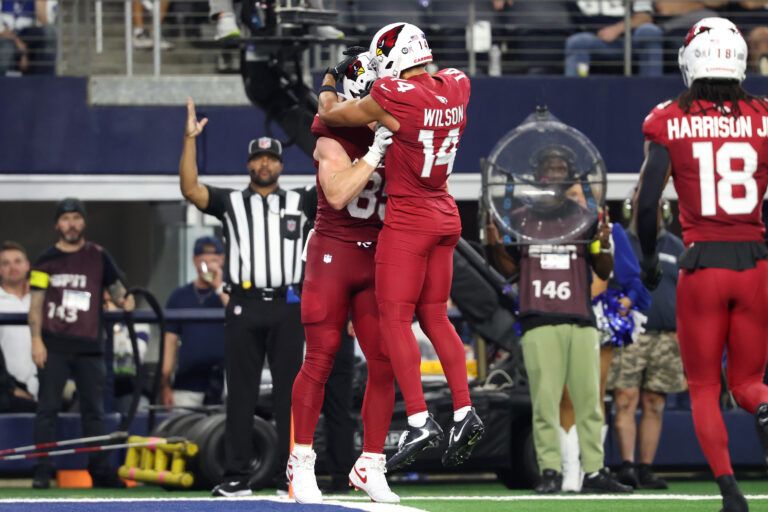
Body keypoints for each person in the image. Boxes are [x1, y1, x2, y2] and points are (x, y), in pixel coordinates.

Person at [317, 23, 484, 472]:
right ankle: (466, 411)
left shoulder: (395, 96)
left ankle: (418, 417)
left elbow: (334, 116)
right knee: (435, 317)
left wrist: (330, 82)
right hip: (447, 213)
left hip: (410, 219)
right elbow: (413, 103)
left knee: (394, 318)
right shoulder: (458, 85)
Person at [635, 17, 768, 512]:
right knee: (750, 384)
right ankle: (766, 408)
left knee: (706, 388)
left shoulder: (668, 117)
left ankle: (732, 493)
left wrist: (649, 258)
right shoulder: (764, 114)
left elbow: (647, 205)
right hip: (755, 263)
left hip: (702, 264)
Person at [179, 100, 316, 497]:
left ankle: (291, 476)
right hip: (243, 304)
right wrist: (190, 141)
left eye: (270, 158)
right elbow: (190, 188)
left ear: (281, 165)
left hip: (289, 304)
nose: (264, 164)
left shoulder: (301, 201)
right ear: (248, 165)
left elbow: (337, 187)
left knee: (292, 393)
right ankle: (236, 476)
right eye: (257, 158)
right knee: (240, 392)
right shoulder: (231, 203)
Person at [484, 145, 632, 495]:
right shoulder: (518, 216)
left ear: (569, 176)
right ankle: (549, 471)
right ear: (537, 175)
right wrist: (493, 246)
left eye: (560, 167)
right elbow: (510, 272)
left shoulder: (585, 215)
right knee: (545, 403)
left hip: (580, 317)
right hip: (538, 318)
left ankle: (594, 471)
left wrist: (605, 245)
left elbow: (603, 269)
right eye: (548, 167)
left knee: (590, 402)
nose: (554, 172)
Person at [288, 51, 398, 504]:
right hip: (334, 252)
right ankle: (300, 459)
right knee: (321, 357)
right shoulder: (332, 132)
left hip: (378, 255)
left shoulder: (394, 120)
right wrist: (375, 152)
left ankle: (370, 461)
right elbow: (335, 195)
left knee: (386, 359)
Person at [28, 198, 134, 489]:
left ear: (83, 222)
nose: (71, 224)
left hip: (90, 345)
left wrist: (127, 298)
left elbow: (119, 290)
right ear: (57, 224)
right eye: (65, 219)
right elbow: (35, 303)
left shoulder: (99, 256)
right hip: (53, 344)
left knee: (94, 412)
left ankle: (99, 471)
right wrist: (36, 340)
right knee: (47, 409)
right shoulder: (44, 260)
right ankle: (42, 470)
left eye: (76, 218)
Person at [607, 198, 686, 490]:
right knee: (625, 399)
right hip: (629, 334)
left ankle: (646, 467)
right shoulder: (620, 242)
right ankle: (626, 466)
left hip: (666, 336)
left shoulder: (676, 246)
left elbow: (686, 291)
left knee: (655, 402)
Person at [160, 235, 227, 408]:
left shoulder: (230, 291)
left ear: (222, 260)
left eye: (214, 260)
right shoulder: (179, 296)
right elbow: (170, 342)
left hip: (226, 382)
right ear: (194, 261)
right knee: (183, 430)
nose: (209, 265)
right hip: (187, 384)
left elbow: (237, 314)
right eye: (203, 260)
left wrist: (219, 285)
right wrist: (165, 383)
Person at [565, 0, 662, 77]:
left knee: (650, 31)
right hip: (596, 42)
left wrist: (617, 29)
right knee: (578, 41)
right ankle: (577, 88)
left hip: (632, 42)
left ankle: (652, 88)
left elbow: (645, 17)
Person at [0, 241, 37, 410]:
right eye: (5, 263)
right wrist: (10, 388)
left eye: (17, 261)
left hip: (46, 389)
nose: (12, 267)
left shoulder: (42, 300)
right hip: (9, 395)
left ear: (27, 265)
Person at [0, 0, 56, 75]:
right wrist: (19, 44)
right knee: (7, 48)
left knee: (51, 32)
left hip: (27, 36)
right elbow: (2, 30)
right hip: (6, 37)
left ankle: (44, 82)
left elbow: (46, 25)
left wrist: (40, 5)